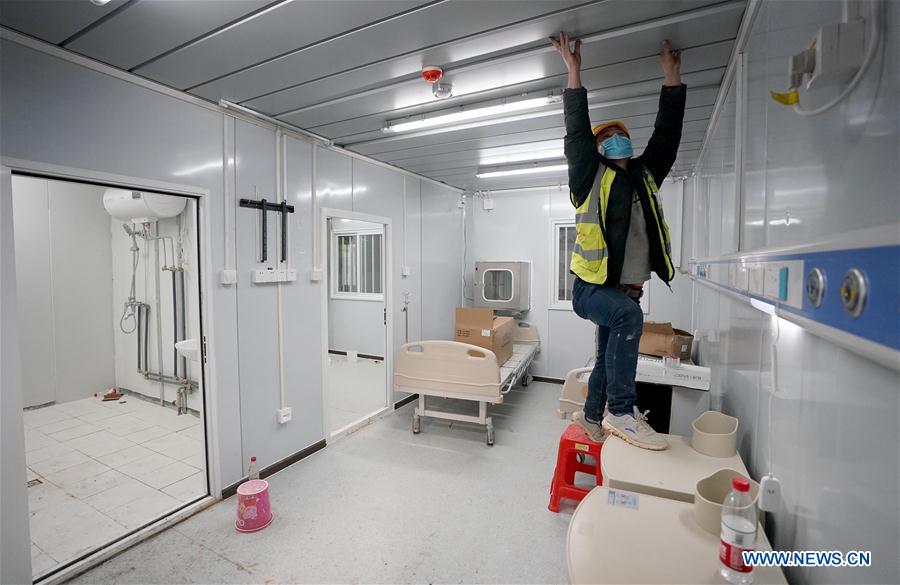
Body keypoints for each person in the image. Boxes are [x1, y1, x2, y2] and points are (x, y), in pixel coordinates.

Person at [549, 32, 685, 450]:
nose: (613, 139)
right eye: (604, 138)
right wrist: (574, 72)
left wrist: (671, 78)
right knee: (628, 319)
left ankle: (592, 418)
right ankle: (621, 412)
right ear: (600, 149)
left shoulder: (645, 177)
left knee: (611, 349)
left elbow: (667, 137)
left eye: (617, 134)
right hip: (590, 288)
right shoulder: (589, 178)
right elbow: (576, 135)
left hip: (625, 289)